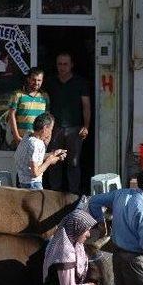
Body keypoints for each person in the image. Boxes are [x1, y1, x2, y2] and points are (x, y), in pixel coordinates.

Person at [45, 53, 91, 194]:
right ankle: (54, 193)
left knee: (74, 163)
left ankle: (73, 195)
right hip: (55, 128)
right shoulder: (50, 82)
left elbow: (86, 106)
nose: (62, 67)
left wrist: (86, 126)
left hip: (75, 128)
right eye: (60, 64)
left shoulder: (80, 82)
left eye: (65, 64)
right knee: (54, 161)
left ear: (72, 65)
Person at [14, 112, 66, 190]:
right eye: (51, 129)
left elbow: (33, 159)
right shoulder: (36, 144)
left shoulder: (27, 136)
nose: (51, 133)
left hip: (21, 183)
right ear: (45, 128)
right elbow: (35, 173)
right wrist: (49, 161)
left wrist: (53, 154)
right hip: (33, 185)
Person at [8, 67, 49, 146]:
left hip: (39, 140)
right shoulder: (17, 95)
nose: (36, 82)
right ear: (28, 79)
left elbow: (47, 119)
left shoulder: (45, 96)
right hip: (22, 139)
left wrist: (47, 137)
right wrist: (16, 136)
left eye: (39, 80)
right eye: (33, 79)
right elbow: (11, 115)